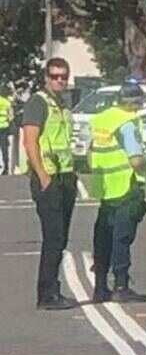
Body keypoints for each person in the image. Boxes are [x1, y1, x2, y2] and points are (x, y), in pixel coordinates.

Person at [89, 83, 146, 303]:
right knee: (122, 238)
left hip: (105, 187)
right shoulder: (126, 123)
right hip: (125, 186)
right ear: (133, 103)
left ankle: (100, 287)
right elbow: (136, 160)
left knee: (103, 237)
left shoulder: (101, 119)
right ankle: (121, 285)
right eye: (139, 102)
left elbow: (91, 152)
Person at [22, 58, 78, 310]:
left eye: (63, 76)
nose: (59, 80)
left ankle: (53, 289)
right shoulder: (38, 102)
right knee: (53, 237)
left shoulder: (62, 104)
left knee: (61, 237)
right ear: (46, 77)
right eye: (55, 76)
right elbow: (30, 141)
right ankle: (47, 294)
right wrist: (43, 175)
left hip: (66, 176)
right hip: (49, 178)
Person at [0, 86, 13, 175]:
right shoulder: (7, 103)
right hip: (4, 127)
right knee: (4, 148)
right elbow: (11, 116)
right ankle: (6, 167)